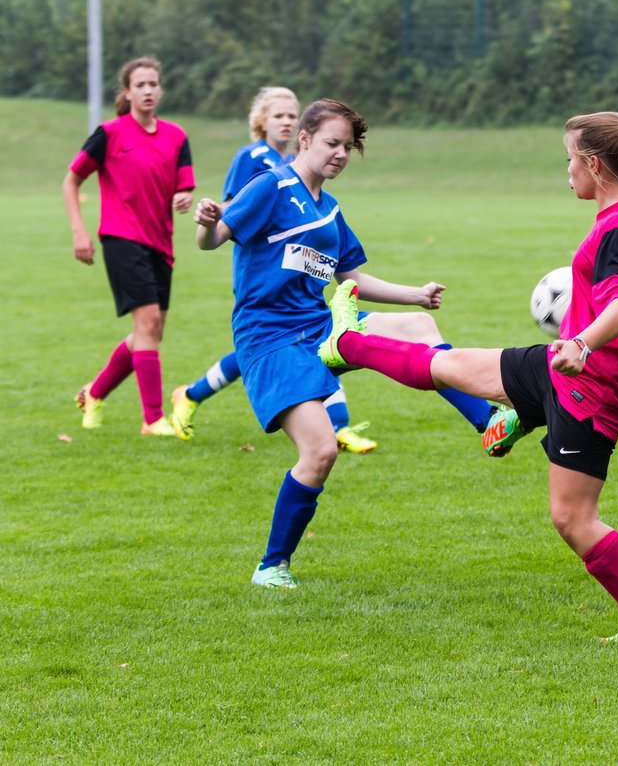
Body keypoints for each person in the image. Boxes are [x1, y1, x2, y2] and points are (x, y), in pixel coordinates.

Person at [316, 111, 618, 643]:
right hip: (576, 377)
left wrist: (581, 341)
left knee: (573, 519)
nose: (566, 170)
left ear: (594, 164)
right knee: (450, 367)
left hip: (588, 389)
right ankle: (357, 347)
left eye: (570, 160)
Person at [192, 98, 497, 589]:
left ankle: (488, 421)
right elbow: (215, 239)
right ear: (305, 139)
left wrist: (413, 296)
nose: (339, 155)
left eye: (348, 148)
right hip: (270, 340)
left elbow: (350, 276)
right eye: (332, 143)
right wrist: (207, 221)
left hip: (319, 327)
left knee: (419, 330)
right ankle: (272, 566)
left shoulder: (329, 209)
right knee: (319, 452)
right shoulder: (270, 186)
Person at [169, 88, 377, 454]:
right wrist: (209, 217)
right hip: (263, 271)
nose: (286, 120)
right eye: (278, 115)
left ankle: (337, 425)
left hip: (297, 275)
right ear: (261, 121)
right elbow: (232, 210)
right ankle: (190, 394)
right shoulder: (252, 159)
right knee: (293, 344)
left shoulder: (303, 166)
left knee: (316, 336)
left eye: (291, 114)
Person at [64, 56, 195, 436]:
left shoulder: (177, 136)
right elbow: (71, 180)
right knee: (149, 324)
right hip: (121, 238)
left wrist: (184, 197)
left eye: (154, 83)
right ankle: (153, 419)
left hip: (161, 245)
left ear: (161, 89)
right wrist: (79, 231)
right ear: (128, 92)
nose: (149, 90)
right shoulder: (109, 133)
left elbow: (183, 186)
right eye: (141, 85)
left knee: (149, 333)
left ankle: (94, 392)